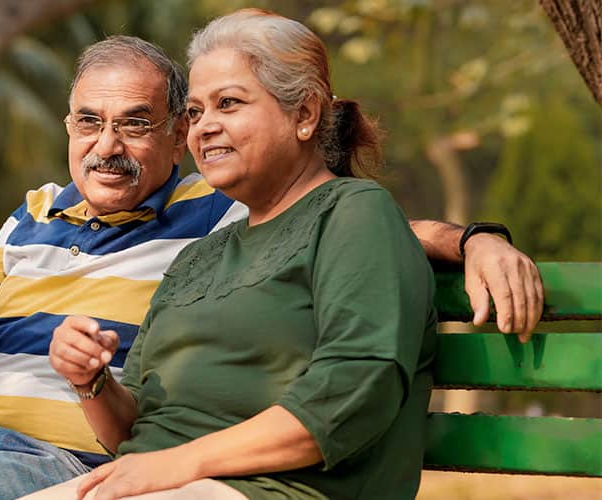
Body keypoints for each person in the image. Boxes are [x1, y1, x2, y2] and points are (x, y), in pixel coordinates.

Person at [0, 32, 544, 500]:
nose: (107, 145)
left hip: (61, 457)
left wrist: (476, 238)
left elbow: (355, 226)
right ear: (68, 126)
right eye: (90, 122)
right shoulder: (35, 209)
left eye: (135, 124)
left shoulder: (218, 212)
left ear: (178, 135)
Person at [29, 9, 440, 499]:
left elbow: (352, 393)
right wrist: (91, 381)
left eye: (229, 103)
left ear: (304, 115)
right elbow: (134, 429)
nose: (204, 128)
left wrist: (174, 466)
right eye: (197, 112)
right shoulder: (199, 257)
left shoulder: (354, 213)